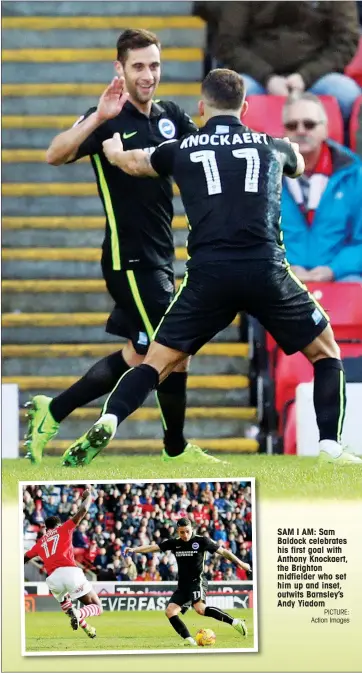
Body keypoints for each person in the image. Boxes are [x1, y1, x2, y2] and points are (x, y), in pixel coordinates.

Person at [66, 68, 361, 465]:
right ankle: (328, 446)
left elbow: (135, 163)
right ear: (246, 106)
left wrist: (115, 153)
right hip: (266, 270)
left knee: (155, 363)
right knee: (326, 353)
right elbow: (297, 167)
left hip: (208, 275)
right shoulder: (273, 145)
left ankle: (111, 419)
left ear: (202, 108)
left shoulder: (182, 148)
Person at [24, 28, 220, 467]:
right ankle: (175, 449)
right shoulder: (106, 118)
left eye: (154, 65)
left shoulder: (171, 115)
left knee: (138, 351)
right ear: (120, 69)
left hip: (161, 256)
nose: (148, 74)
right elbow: (54, 154)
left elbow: (202, 151)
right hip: (129, 259)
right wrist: (96, 118)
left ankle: (51, 411)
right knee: (176, 349)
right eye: (138, 66)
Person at [213, 1, 361, 129]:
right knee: (229, 99)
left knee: (348, 96)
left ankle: (345, 158)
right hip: (257, 77)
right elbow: (228, 43)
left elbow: (346, 41)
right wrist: (267, 78)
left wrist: (305, 76)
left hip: (317, 77)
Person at [124, 517, 250, 646]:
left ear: (192, 529)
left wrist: (241, 564)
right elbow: (153, 548)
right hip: (183, 585)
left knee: (200, 609)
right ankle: (189, 640)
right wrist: (134, 550)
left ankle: (235, 622)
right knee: (170, 611)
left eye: (187, 531)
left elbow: (224, 552)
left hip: (197, 581)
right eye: (182, 532)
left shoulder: (202, 541)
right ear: (178, 532)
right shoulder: (174, 543)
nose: (185, 535)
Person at [281, 93, 362, 282]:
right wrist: (285, 267)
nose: (301, 131)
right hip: (282, 278)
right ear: (284, 132)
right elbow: (254, 240)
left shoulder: (354, 175)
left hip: (341, 276)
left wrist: (333, 269)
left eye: (309, 124)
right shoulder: (264, 175)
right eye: (292, 126)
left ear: (325, 130)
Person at [24, 489, 103, 639]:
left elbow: (24, 559)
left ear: (47, 529)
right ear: (58, 525)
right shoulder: (63, 529)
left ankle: (88, 630)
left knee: (66, 604)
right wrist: (88, 496)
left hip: (53, 579)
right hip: (69, 572)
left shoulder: (40, 543)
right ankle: (78, 613)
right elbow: (84, 509)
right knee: (97, 607)